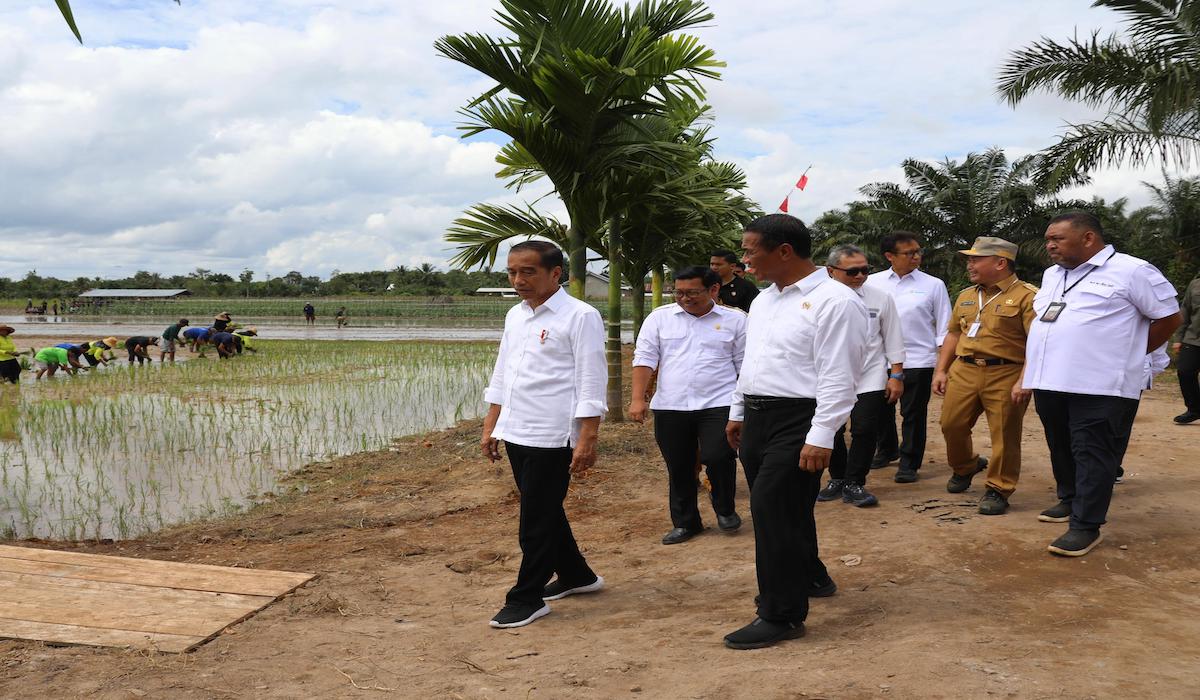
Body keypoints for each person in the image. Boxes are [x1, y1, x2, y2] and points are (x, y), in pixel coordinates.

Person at [722, 214, 867, 650]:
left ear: (784, 251)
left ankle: (781, 614)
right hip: (758, 414)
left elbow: (841, 376)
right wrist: (738, 410)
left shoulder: (835, 301)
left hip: (801, 417)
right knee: (788, 509)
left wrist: (821, 435)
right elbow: (752, 361)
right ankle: (810, 577)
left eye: (750, 250)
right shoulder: (765, 301)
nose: (744, 259)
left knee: (771, 510)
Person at [1024, 212, 1181, 557]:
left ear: (1088, 238)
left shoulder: (1132, 271)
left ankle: (1085, 525)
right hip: (1050, 378)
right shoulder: (1052, 274)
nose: (1049, 246)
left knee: (1092, 450)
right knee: (1060, 444)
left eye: (1057, 239)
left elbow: (1170, 317)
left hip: (1101, 383)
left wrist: (1129, 352)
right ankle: (1069, 499)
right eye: (1048, 239)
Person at [480, 240, 607, 630]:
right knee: (544, 508)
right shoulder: (515, 316)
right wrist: (491, 425)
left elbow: (591, 380)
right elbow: (504, 371)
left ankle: (526, 597)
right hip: (517, 428)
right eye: (512, 272)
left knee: (536, 517)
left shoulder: (580, 316)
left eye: (528, 272)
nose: (518, 280)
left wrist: (587, 438)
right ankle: (577, 575)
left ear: (556, 274)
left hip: (552, 434)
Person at [630, 265, 747, 544]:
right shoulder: (660, 318)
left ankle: (725, 509)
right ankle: (686, 522)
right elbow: (645, 358)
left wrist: (743, 408)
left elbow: (745, 366)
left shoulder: (737, 320)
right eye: (678, 292)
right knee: (679, 466)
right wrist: (638, 398)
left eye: (692, 292)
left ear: (714, 290)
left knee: (719, 457)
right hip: (671, 405)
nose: (684, 298)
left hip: (719, 403)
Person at [931, 237, 1038, 516]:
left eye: (976, 259)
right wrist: (941, 369)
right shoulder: (966, 295)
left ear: (1000, 262)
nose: (970, 264)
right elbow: (954, 333)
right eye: (970, 259)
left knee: (1004, 432)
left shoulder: (1028, 296)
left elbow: (1038, 343)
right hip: (964, 369)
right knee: (951, 424)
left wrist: (1024, 380)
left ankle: (998, 488)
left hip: (1006, 371)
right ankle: (966, 466)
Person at [819, 245, 905, 508]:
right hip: (829, 375)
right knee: (831, 428)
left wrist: (897, 375)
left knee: (865, 428)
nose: (860, 276)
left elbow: (893, 337)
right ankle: (837, 477)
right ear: (831, 271)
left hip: (870, 373)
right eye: (852, 271)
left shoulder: (880, 298)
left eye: (865, 270)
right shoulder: (818, 298)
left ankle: (855, 482)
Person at [865, 231, 952, 483]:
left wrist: (942, 366)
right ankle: (887, 449)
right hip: (880, 360)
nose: (916, 256)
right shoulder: (872, 283)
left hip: (918, 359)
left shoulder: (933, 285)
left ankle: (909, 461)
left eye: (918, 251)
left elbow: (943, 328)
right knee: (880, 410)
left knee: (913, 414)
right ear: (889, 256)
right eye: (909, 253)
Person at [1114, 344, 1171, 483]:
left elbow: (1159, 341)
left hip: (1133, 373)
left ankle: (1110, 468)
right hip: (1132, 373)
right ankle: (1109, 468)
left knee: (1119, 425)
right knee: (1118, 425)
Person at [1173, 274, 1200, 424]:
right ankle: (1195, 409)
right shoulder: (1195, 284)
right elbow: (1185, 311)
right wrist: (1178, 339)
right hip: (1193, 338)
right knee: (1185, 371)